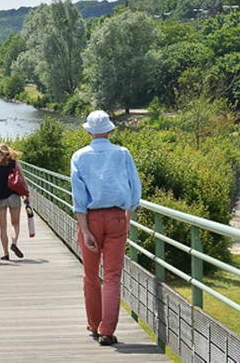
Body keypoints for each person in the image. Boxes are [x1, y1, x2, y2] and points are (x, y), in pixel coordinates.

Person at [70, 110, 142, 346]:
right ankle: (107, 331)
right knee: (112, 276)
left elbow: (78, 197)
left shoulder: (79, 157)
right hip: (116, 217)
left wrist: (86, 229)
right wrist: (127, 216)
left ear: (89, 132)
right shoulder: (123, 154)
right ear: (110, 130)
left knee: (91, 276)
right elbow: (135, 190)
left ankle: (93, 323)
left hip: (89, 218)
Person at [0, 143, 29, 260]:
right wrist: (27, 195)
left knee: (2, 226)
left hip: (0, 197)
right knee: (15, 223)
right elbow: (23, 180)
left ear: (1, 152)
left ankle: (6, 254)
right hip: (14, 196)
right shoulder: (15, 164)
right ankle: (14, 243)